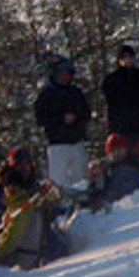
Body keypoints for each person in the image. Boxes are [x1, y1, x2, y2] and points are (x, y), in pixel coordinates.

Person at [0, 147, 67, 270]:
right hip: (11, 235)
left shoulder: (34, 185)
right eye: (20, 165)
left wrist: (49, 200)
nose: (24, 168)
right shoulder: (3, 188)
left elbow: (51, 207)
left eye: (27, 164)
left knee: (59, 248)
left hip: (36, 232)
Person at [34, 57, 92, 192]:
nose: (65, 77)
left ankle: (82, 201)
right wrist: (61, 119)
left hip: (77, 142)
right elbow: (41, 118)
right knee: (58, 182)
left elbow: (87, 112)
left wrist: (77, 118)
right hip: (57, 145)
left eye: (67, 73)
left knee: (81, 179)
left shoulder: (76, 92)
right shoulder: (47, 94)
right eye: (61, 73)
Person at [101, 43, 139, 141]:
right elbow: (108, 98)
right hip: (120, 125)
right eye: (124, 57)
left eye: (130, 57)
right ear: (119, 60)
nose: (128, 60)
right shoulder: (112, 79)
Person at [89, 134, 139, 209]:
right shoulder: (106, 167)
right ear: (108, 153)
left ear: (125, 149)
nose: (116, 153)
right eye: (112, 150)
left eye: (119, 149)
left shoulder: (136, 161)